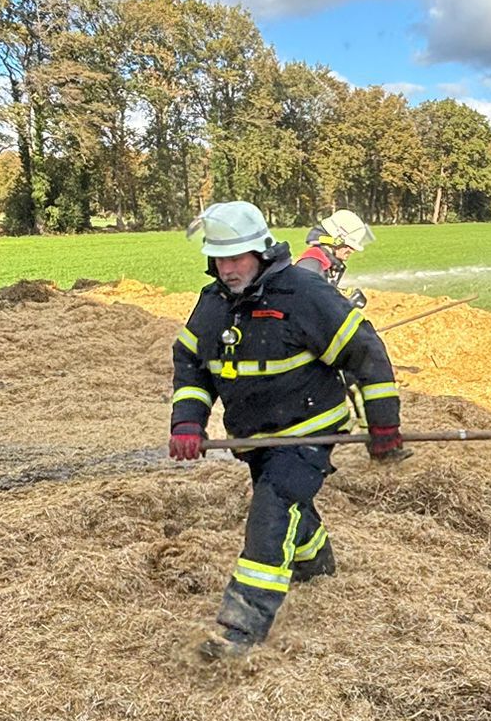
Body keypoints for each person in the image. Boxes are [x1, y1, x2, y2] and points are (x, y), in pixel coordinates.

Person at [168, 200, 401, 661]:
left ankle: (240, 632)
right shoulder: (213, 304)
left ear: (259, 251)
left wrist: (384, 426)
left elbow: (365, 354)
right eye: (220, 259)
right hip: (256, 436)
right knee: (288, 501)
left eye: (236, 258)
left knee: (271, 514)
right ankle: (316, 563)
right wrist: (188, 420)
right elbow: (193, 366)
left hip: (309, 429)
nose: (228, 269)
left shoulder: (304, 294)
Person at [295, 209, 375, 306]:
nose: (352, 250)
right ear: (334, 241)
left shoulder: (324, 265)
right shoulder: (310, 266)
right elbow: (301, 308)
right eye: (349, 245)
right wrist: (343, 304)